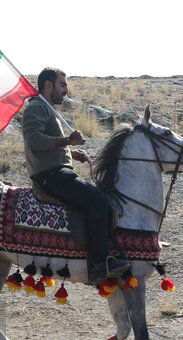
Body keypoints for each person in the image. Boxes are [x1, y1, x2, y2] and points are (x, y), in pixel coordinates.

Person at [22, 68, 130, 284]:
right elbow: (33, 140)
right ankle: (100, 264)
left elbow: (47, 144)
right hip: (50, 176)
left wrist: (70, 153)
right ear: (49, 85)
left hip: (57, 172)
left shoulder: (47, 109)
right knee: (98, 200)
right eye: (62, 85)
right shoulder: (36, 107)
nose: (66, 90)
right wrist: (67, 142)